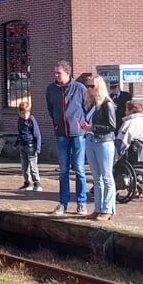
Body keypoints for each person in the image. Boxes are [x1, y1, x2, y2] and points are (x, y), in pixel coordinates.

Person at [44, 61, 89, 215]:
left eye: (58, 73)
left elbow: (88, 107)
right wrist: (57, 124)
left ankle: (81, 203)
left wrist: (82, 124)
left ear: (68, 73)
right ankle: (63, 203)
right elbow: (50, 109)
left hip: (78, 134)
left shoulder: (80, 88)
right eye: (55, 73)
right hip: (61, 134)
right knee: (63, 170)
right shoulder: (51, 89)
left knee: (79, 170)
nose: (55, 75)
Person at [85, 75, 118, 221]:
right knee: (96, 178)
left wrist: (93, 127)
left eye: (92, 86)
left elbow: (112, 126)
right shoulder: (91, 104)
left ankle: (107, 209)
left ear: (99, 87)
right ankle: (98, 208)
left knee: (106, 176)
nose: (89, 89)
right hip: (91, 139)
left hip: (103, 141)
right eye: (88, 86)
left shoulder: (107, 104)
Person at [15, 101, 43, 191]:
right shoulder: (20, 121)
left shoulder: (32, 120)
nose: (25, 115)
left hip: (31, 145)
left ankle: (37, 183)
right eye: (23, 113)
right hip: (22, 145)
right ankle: (28, 182)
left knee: (33, 165)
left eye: (27, 113)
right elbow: (20, 133)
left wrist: (38, 148)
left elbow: (37, 134)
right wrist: (16, 143)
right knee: (24, 166)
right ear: (20, 113)